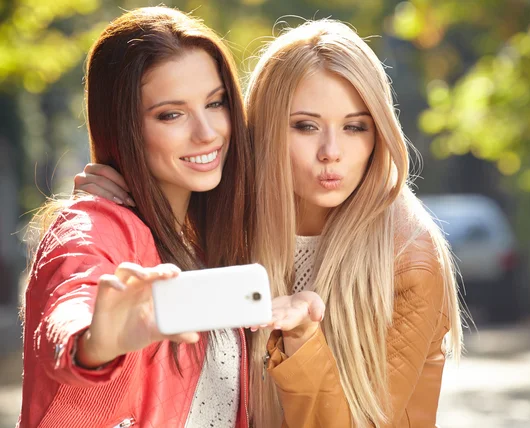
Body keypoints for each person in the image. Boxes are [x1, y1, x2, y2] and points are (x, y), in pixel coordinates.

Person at [74, 19, 464, 428]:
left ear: (378, 133)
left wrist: (302, 341)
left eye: (354, 127)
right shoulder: (229, 217)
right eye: (305, 126)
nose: (332, 152)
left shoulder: (408, 257)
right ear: (266, 128)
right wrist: (121, 190)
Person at [19, 7, 322, 428]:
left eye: (216, 103)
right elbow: (72, 299)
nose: (207, 132)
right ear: (123, 125)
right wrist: (91, 342)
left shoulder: (205, 240)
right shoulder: (91, 226)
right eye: (171, 114)